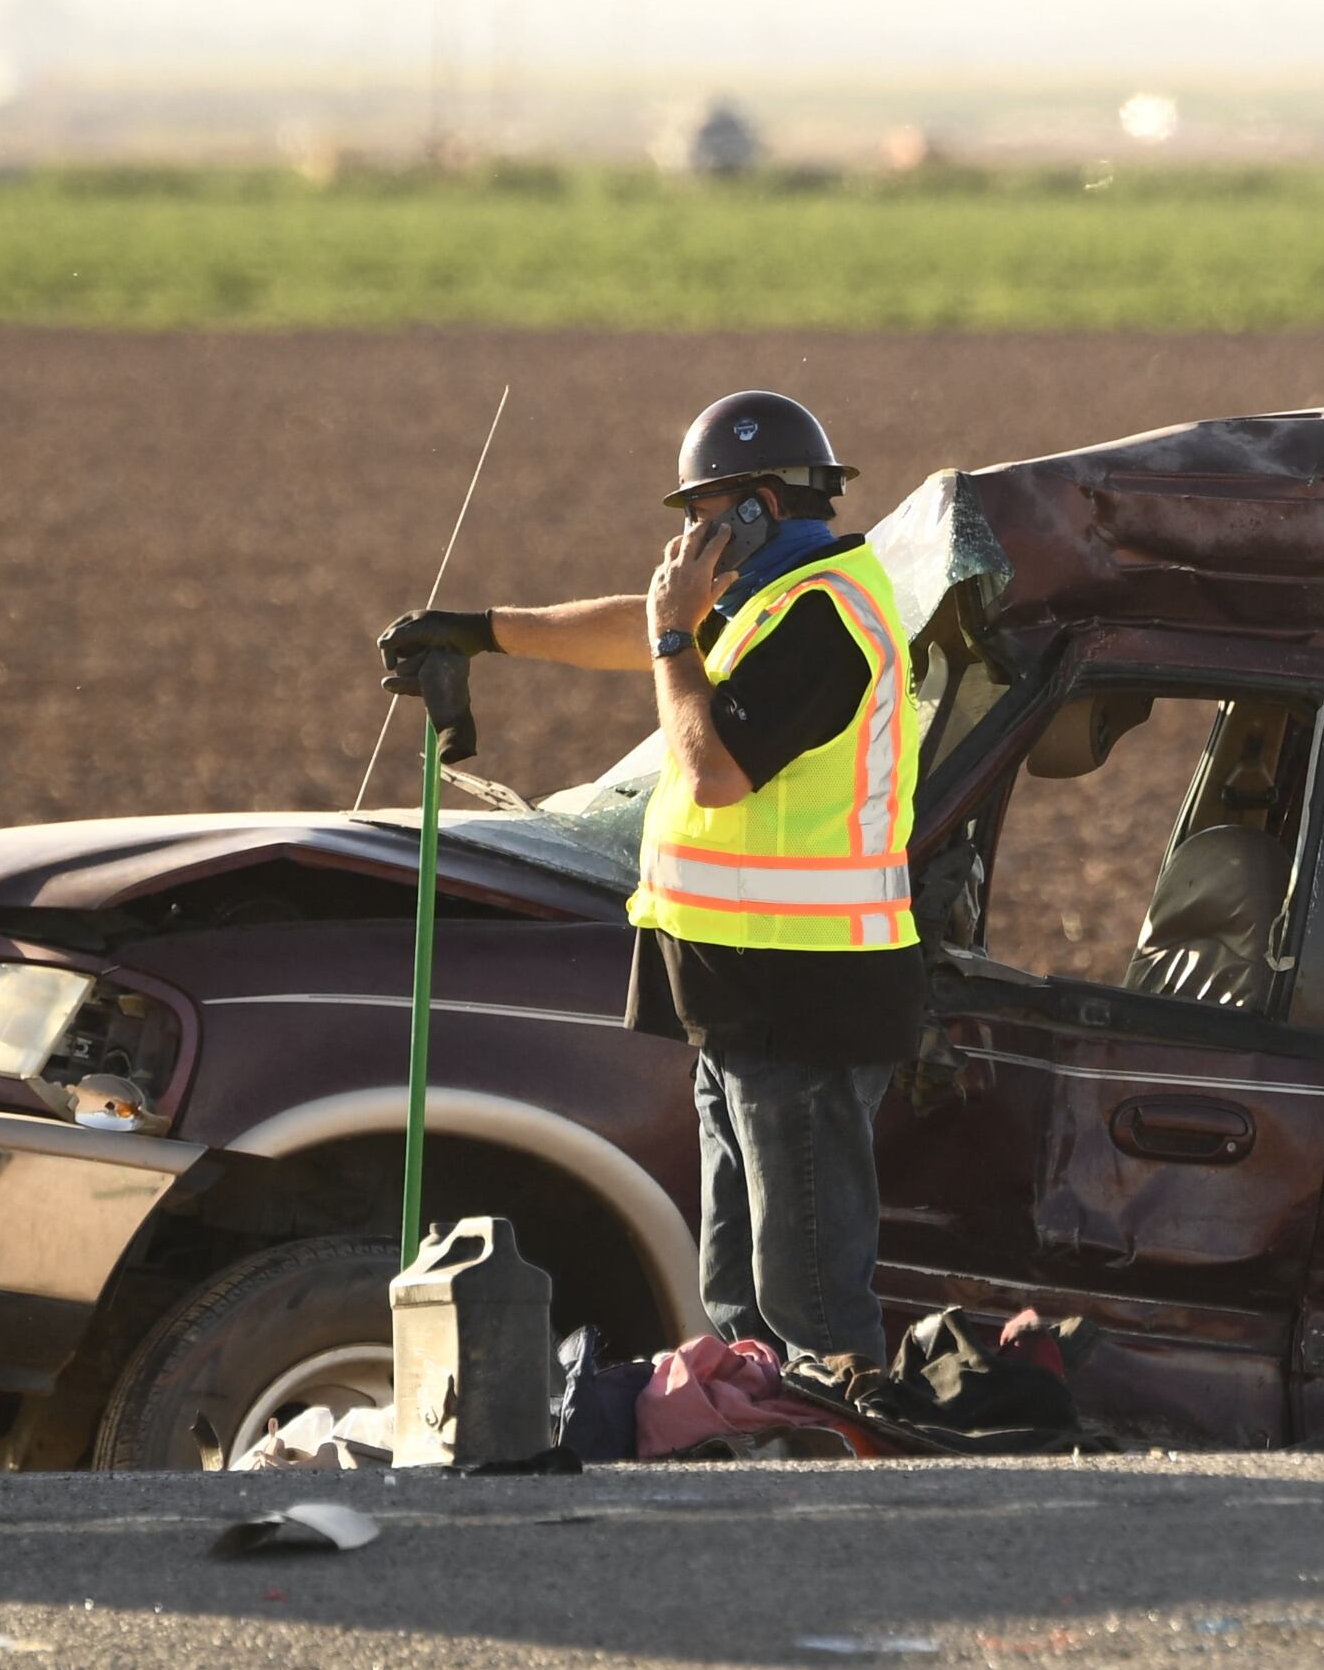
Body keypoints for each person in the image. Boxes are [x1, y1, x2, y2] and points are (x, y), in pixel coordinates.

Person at [376, 391, 920, 1368]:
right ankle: (755, 1455)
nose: (688, 538)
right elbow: (638, 628)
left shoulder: (827, 618)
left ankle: (837, 1470)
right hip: (738, 992)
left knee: (809, 1301)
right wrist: (483, 632)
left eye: (701, 515)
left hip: (803, 996)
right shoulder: (772, 596)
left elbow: (713, 766)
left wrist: (676, 639)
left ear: (756, 505)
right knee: (736, 1291)